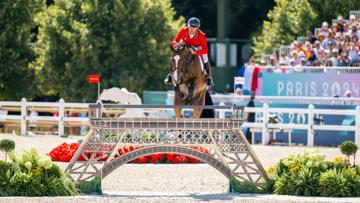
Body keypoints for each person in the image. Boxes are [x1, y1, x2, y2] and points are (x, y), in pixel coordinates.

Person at [164, 17, 214, 86]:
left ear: (197, 28)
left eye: (194, 27)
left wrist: (196, 52)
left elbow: (205, 50)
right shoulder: (183, 30)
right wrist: (177, 45)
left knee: (205, 58)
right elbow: (174, 41)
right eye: (191, 26)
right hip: (185, 45)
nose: (192, 29)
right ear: (188, 25)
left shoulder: (201, 36)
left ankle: (209, 77)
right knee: (175, 56)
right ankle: (170, 75)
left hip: (197, 47)